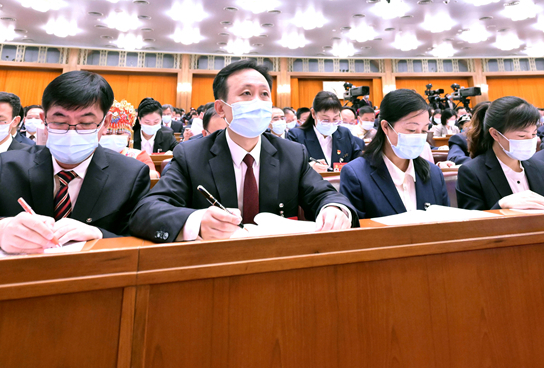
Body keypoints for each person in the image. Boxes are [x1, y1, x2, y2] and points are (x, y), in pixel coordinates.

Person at [0, 71, 151, 255]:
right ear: (43, 119)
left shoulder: (130, 174)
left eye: (86, 123)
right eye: (59, 121)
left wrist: (99, 235)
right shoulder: (7, 166)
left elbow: (144, 244)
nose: (72, 131)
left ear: (105, 123)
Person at [129, 59, 356, 242]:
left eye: (264, 94)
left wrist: (334, 210)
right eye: (246, 93)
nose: (258, 102)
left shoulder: (292, 153)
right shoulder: (191, 155)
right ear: (221, 108)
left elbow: (326, 195)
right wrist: (196, 222)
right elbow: (147, 211)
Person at [339, 89, 449, 219]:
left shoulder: (434, 174)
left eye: (424, 130)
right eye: (411, 130)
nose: (419, 136)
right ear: (385, 127)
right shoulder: (356, 175)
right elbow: (357, 228)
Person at [455, 96, 544, 211]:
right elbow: (473, 219)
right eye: (522, 136)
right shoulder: (472, 173)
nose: (530, 140)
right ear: (495, 134)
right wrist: (501, 205)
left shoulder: (540, 168)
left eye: (534, 134)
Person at [286, 91, 364, 172]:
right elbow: (288, 167)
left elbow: (359, 160)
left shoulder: (344, 133)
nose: (331, 123)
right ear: (313, 113)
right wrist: (308, 168)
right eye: (325, 120)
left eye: (335, 119)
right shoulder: (296, 136)